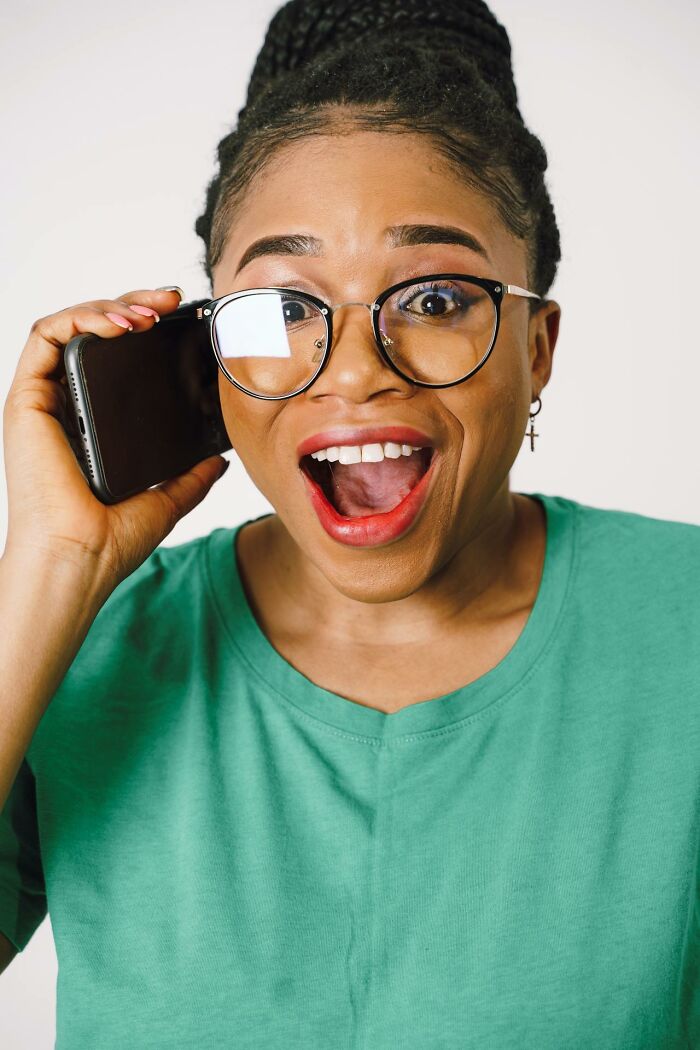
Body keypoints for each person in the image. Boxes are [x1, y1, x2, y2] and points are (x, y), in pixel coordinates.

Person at [0, 0, 698, 1046]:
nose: (359, 369)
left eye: (432, 298)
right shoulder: (76, 650)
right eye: (283, 307)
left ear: (536, 347)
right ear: (204, 365)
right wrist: (51, 567)